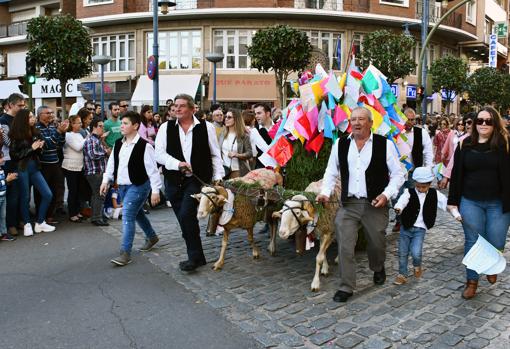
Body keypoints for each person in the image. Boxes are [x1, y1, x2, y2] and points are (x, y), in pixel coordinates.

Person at [316, 107, 404, 303]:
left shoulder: (385, 145)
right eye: (353, 119)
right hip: (348, 204)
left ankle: (378, 266)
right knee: (345, 246)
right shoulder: (340, 144)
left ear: (370, 123)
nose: (356, 123)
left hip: (375, 204)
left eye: (361, 119)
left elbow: (399, 175)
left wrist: (386, 194)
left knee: (376, 243)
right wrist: (324, 192)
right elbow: (331, 172)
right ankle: (346, 286)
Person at [155, 94, 224, 272]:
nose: (177, 109)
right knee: (185, 221)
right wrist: (177, 164)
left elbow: (215, 154)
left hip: (196, 180)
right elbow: (159, 154)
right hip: (172, 181)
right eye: (175, 105)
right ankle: (198, 256)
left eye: (182, 106)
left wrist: (218, 176)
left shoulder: (205, 127)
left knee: (187, 215)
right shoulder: (165, 127)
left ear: (192, 109)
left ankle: (193, 258)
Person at [448, 106, 510, 300]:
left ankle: (491, 264)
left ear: (495, 124)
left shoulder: (505, 144)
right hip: (470, 201)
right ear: (474, 124)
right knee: (472, 241)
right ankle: (472, 281)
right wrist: (453, 202)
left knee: (496, 241)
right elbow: (457, 174)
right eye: (480, 120)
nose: (483, 124)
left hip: (498, 203)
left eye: (488, 121)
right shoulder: (464, 145)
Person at [101, 111, 162, 266]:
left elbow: (152, 171)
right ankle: (152, 236)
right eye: (122, 123)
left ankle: (125, 253)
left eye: (126, 123)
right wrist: (105, 181)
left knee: (128, 215)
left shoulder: (145, 146)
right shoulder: (118, 144)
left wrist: (155, 190)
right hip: (122, 187)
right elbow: (112, 164)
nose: (122, 126)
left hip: (139, 186)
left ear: (135, 126)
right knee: (137, 213)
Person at [393, 167, 449, 285]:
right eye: (418, 186)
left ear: (429, 184)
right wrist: (398, 208)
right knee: (402, 252)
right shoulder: (409, 192)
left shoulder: (434, 194)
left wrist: (455, 213)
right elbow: (402, 201)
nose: (420, 189)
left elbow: (446, 203)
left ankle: (417, 265)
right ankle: (402, 274)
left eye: (423, 187)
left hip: (420, 229)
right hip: (406, 227)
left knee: (416, 252)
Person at [9, 110, 55, 236]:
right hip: (22, 168)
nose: (33, 118)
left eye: (32, 116)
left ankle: (40, 222)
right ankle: (27, 224)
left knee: (47, 194)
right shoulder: (15, 134)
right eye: (29, 117)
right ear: (23, 119)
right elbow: (15, 156)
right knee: (25, 197)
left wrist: (40, 147)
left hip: (34, 167)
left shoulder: (35, 131)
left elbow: (39, 152)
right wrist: (32, 148)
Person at [392, 108, 433, 232]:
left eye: (412, 120)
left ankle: (408, 220)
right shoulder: (396, 133)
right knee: (396, 197)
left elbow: (428, 152)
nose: (410, 122)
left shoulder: (422, 133)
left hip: (414, 172)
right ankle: (400, 219)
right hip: (398, 172)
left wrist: (428, 169)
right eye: (407, 119)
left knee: (412, 196)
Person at [35, 106, 68, 224]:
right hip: (43, 164)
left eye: (52, 112)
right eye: (47, 113)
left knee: (55, 190)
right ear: (40, 115)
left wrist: (62, 133)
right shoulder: (37, 128)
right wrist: (59, 132)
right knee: (41, 192)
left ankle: (49, 216)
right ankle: (41, 217)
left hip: (55, 162)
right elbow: (48, 144)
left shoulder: (53, 126)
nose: (51, 114)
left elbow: (59, 144)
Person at [0, 93, 25, 236]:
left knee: (20, 193)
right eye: (19, 106)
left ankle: (16, 221)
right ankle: (10, 225)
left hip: (19, 160)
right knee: (11, 195)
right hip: (7, 161)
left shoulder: (20, 119)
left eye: (23, 105)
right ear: (10, 105)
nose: (22, 108)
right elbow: (10, 143)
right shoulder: (3, 120)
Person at [438, 113, 475, 189]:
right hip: (460, 171)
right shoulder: (460, 138)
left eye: (469, 122)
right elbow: (454, 157)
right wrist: (446, 176)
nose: (466, 125)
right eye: (465, 123)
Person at [84, 119, 110, 227]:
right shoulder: (91, 139)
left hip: (98, 171)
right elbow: (93, 155)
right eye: (100, 126)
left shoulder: (97, 139)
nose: (102, 128)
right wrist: (106, 152)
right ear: (94, 127)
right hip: (94, 172)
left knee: (97, 195)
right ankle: (97, 217)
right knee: (99, 195)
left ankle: (96, 216)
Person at [62, 115, 86, 223]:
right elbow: (78, 147)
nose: (80, 124)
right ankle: (72, 213)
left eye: (80, 122)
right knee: (73, 190)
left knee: (80, 191)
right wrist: (88, 138)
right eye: (78, 122)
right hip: (70, 166)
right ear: (72, 124)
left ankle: (78, 211)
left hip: (80, 166)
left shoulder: (79, 135)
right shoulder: (68, 135)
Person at [219, 109, 253, 179]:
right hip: (223, 170)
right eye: (225, 117)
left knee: (235, 189)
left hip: (237, 169)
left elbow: (250, 153)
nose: (226, 119)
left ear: (236, 119)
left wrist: (237, 155)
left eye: (229, 117)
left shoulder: (244, 136)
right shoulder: (222, 134)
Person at [0, 150, 17, 241]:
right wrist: (7, 180)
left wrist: (7, 180)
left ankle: (4, 233)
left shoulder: (1, 169)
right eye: (1, 158)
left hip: (3, 196)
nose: (3, 160)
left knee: (3, 216)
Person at [253, 103, 273, 169]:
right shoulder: (255, 131)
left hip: (279, 168)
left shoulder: (279, 127)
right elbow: (266, 149)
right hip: (262, 168)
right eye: (255, 114)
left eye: (259, 113)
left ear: (267, 114)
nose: (256, 116)